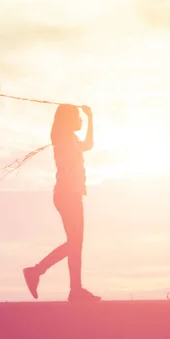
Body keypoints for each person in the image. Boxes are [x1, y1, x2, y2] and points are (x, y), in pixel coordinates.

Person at [23, 104, 101, 302]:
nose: (80, 120)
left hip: (70, 195)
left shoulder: (71, 139)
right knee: (75, 243)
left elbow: (89, 145)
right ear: (68, 120)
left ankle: (73, 289)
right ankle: (38, 273)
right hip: (68, 195)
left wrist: (91, 117)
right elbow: (67, 164)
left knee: (76, 244)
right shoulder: (64, 141)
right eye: (77, 116)